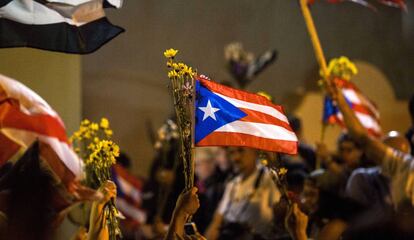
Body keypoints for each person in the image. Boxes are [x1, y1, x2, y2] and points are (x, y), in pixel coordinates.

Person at [326, 78, 414, 208]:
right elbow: (363, 139)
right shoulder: (404, 166)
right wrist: (341, 101)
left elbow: (363, 139)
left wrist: (341, 102)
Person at [205, 147, 280, 240]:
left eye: (241, 151)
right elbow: (217, 221)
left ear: (254, 151)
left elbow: (280, 215)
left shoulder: (268, 179)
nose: (236, 157)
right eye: (232, 152)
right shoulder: (232, 184)